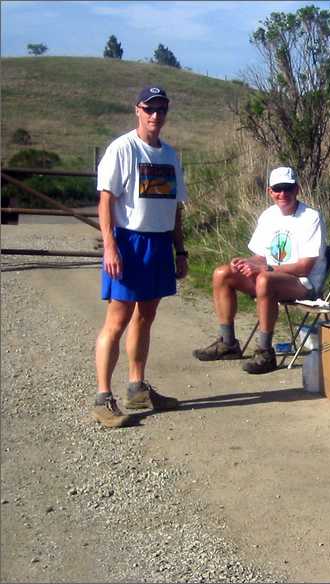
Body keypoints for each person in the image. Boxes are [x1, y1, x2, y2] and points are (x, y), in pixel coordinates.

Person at [93, 85, 188, 428]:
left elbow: (176, 208)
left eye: (161, 109)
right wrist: (110, 245)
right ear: (138, 110)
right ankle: (103, 398)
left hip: (159, 243)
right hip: (129, 242)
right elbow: (106, 200)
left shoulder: (171, 156)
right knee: (117, 320)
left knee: (145, 317)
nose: (155, 116)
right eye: (149, 109)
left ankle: (137, 387)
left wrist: (180, 250)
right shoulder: (123, 148)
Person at [193, 166, 326, 374]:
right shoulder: (268, 215)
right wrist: (246, 263)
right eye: (277, 189)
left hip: (302, 283)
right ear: (269, 191)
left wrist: (265, 268)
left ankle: (265, 351)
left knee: (265, 279)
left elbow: (304, 266)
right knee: (223, 273)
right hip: (271, 275)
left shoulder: (311, 217)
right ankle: (228, 343)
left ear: (297, 189)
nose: (283, 194)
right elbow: (260, 256)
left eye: (288, 188)